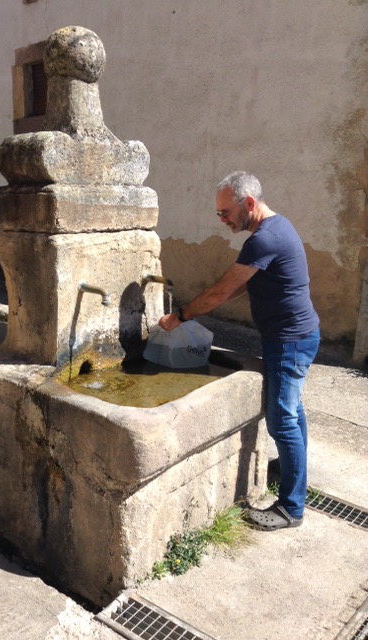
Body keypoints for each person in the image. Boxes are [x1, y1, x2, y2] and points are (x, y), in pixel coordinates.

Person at [159, 171, 320, 531]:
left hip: (290, 341)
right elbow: (236, 288)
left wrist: (180, 316)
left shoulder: (264, 239)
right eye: (218, 213)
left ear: (248, 203)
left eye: (225, 212)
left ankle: (291, 508)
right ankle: (293, 469)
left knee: (282, 420)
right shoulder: (275, 229)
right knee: (292, 412)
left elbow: (221, 290)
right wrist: (199, 310)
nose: (223, 220)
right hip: (296, 336)